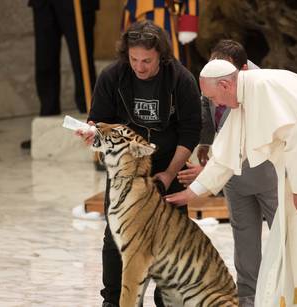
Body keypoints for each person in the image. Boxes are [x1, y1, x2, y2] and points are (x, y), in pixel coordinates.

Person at [166, 59, 297, 307]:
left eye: (215, 98)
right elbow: (227, 153)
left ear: (226, 84)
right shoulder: (244, 95)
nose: (217, 105)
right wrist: (193, 192)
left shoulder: (263, 87)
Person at [78, 20, 201, 307]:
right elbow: (99, 122)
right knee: (115, 234)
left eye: (147, 60)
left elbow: (190, 131)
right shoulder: (112, 76)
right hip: (126, 168)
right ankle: (113, 300)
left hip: (169, 161)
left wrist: (170, 173)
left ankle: (167, 299)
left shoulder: (181, 79)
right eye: (134, 59)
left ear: (161, 56)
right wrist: (92, 135)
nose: (140, 67)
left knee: (171, 234)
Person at [176, 39, 278, 307]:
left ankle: (286, 292)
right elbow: (208, 112)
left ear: (242, 71)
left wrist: (209, 169)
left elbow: (251, 139)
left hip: (268, 173)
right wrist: (207, 145)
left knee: (283, 235)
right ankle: (247, 297)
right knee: (243, 237)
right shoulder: (214, 78)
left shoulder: (262, 87)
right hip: (232, 177)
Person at [23, 0, 99, 149]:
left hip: (77, 4)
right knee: (45, 62)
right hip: (45, 5)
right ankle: (45, 131)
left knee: (82, 62)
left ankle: (93, 127)